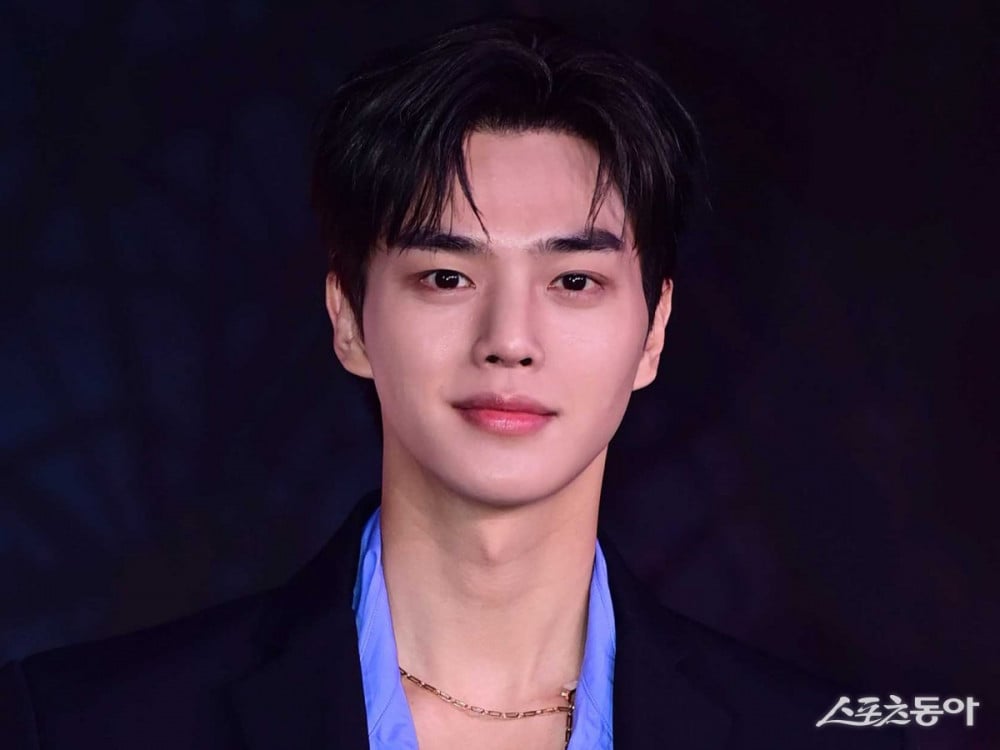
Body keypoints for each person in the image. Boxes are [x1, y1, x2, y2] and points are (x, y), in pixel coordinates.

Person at [1, 17, 902, 750]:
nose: (508, 341)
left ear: (654, 332)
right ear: (350, 318)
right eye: (446, 276)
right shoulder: (83, 725)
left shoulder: (815, 738)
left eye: (573, 281)